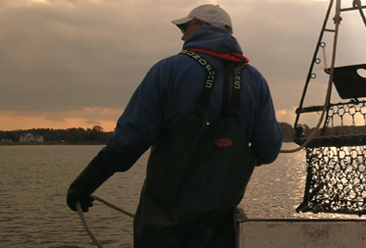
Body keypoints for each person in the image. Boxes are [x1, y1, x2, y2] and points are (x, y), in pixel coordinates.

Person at [66, 4, 283, 247]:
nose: (182, 35)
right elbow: (269, 149)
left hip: (162, 228)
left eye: (185, 27)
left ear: (202, 26)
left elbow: (130, 140)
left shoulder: (167, 71)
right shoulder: (255, 80)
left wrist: (85, 184)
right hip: (219, 230)